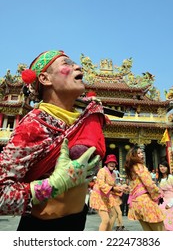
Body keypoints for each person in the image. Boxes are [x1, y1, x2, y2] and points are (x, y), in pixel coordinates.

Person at [0, 50, 107, 231]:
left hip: (77, 224)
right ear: (45, 79)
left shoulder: (80, 121)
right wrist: (54, 184)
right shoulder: (33, 125)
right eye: (67, 63)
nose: (78, 66)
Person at [124, 146, 165, 231]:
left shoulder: (131, 167)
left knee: (148, 231)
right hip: (145, 201)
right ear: (133, 155)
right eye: (138, 153)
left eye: (141, 152)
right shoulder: (139, 165)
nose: (141, 154)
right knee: (160, 230)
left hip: (136, 202)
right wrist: (158, 194)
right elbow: (148, 183)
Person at [89, 154, 123, 231]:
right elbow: (101, 184)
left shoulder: (114, 174)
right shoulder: (102, 171)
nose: (112, 163)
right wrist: (114, 189)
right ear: (107, 163)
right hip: (98, 196)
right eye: (110, 162)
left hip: (106, 198)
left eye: (114, 162)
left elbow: (113, 187)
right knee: (105, 220)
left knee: (112, 217)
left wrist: (122, 188)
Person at [157, 159, 173, 231]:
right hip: (163, 203)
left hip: (171, 202)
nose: (162, 168)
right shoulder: (159, 179)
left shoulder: (171, 177)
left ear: (167, 168)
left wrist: (170, 204)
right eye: (160, 166)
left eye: (164, 166)